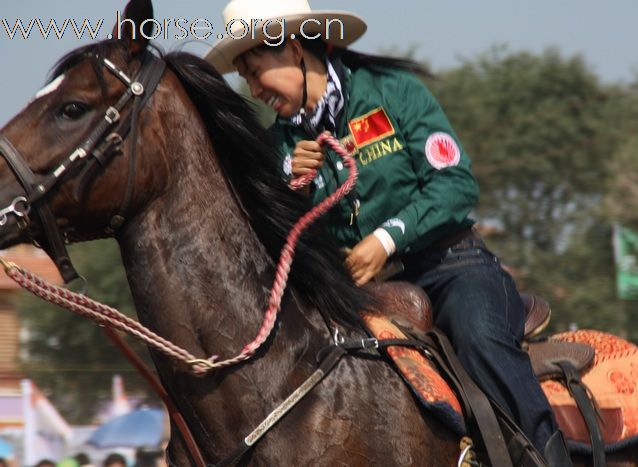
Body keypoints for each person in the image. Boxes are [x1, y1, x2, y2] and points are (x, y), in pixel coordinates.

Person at [205, 0, 570, 464]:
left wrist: (387, 238)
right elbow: (276, 241)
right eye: (245, 79)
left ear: (294, 50)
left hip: (451, 267)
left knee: (481, 339)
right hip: (358, 293)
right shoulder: (277, 146)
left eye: (256, 72)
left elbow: (455, 184)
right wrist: (285, 181)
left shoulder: (393, 92)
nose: (253, 89)